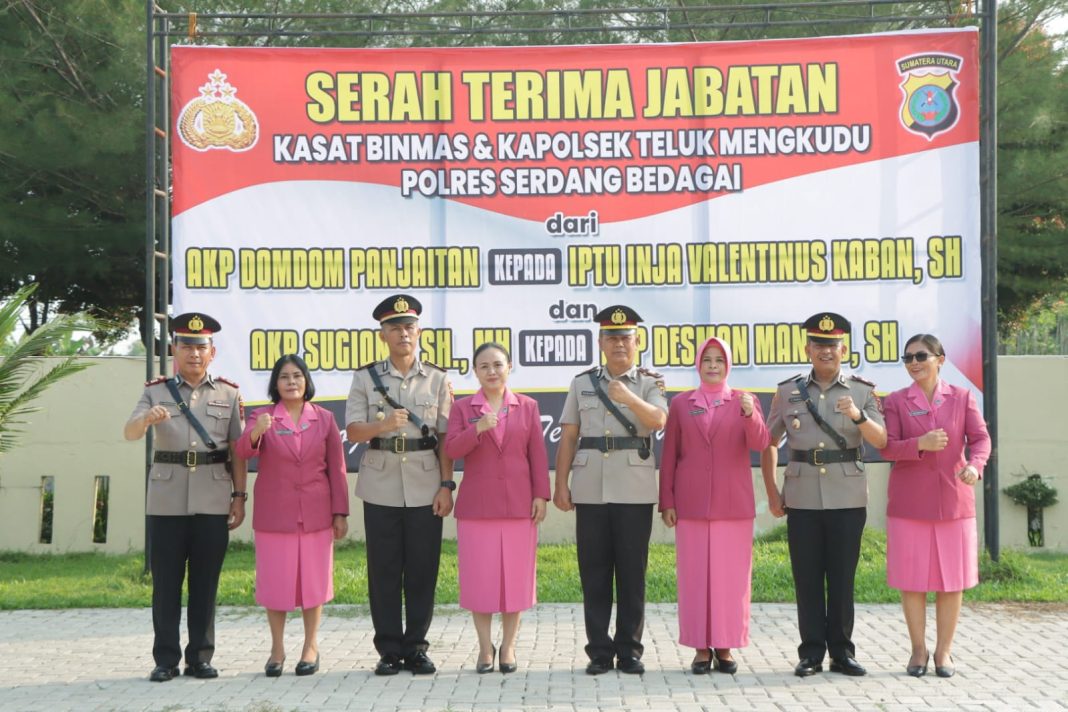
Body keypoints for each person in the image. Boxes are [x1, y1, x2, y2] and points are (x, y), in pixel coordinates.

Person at [760, 312, 887, 678]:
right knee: (808, 576)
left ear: (843, 349)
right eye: (819, 345)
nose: (826, 351)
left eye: (832, 345)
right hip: (801, 496)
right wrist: (772, 491)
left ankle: (842, 653)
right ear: (808, 349)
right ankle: (811, 652)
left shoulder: (861, 391)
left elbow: (882, 440)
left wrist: (859, 417)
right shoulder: (788, 391)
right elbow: (767, 442)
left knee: (843, 577)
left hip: (847, 497)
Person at [123, 313, 247, 682]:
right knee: (166, 583)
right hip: (166, 501)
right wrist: (146, 420)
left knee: (205, 582)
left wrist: (239, 496)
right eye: (186, 346)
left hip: (212, 498)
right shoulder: (155, 391)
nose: (194, 353)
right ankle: (165, 659)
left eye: (200, 347)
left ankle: (200, 657)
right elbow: (129, 432)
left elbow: (238, 451)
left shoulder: (229, 392)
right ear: (174, 349)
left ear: (212, 352)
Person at [553, 305, 668, 675]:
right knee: (595, 573)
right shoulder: (582, 382)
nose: (619, 344)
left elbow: (658, 420)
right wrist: (561, 484)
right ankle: (599, 651)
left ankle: (630, 650)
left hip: (634, 488)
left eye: (626, 338)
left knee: (633, 573)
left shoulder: (651, 382)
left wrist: (628, 397)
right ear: (601, 342)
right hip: (590, 488)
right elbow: (569, 435)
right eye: (612, 338)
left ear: (637, 342)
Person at [344, 294, 454, 676]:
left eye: (409, 327)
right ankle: (389, 649)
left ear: (418, 331)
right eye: (395, 328)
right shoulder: (365, 377)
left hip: (426, 484)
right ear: (383, 335)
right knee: (384, 569)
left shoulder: (438, 379)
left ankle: (417, 647)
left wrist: (446, 485)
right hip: (381, 483)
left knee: (423, 568)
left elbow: (445, 438)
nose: (403, 333)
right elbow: (354, 430)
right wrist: (384, 426)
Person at [879, 334, 990, 678]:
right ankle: (917, 650)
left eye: (921, 355)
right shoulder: (896, 401)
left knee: (951, 582)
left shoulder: (962, 397)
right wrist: (920, 444)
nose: (913, 362)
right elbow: (887, 448)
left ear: (940, 359)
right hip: (909, 505)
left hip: (954, 504)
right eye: (908, 357)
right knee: (912, 582)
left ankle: (943, 652)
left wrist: (975, 466)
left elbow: (982, 439)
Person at [659, 337, 770, 675]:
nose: (712, 365)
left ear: (728, 366)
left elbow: (761, 443)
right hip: (691, 505)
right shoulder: (680, 403)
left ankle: (725, 646)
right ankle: (699, 648)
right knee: (694, 578)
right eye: (706, 359)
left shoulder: (743, 401)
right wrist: (667, 500)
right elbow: (670, 456)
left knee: (730, 580)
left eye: (718, 360)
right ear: (698, 364)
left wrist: (750, 416)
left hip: (733, 506)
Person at [234, 354, 349, 677]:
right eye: (284, 377)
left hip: (316, 512)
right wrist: (256, 432)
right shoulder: (263, 415)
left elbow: (337, 470)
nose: (291, 382)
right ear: (275, 384)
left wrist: (340, 512)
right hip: (276, 514)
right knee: (276, 584)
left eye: (297, 376)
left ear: (306, 380)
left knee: (314, 583)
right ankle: (277, 649)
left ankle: (310, 646)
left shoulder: (324, 418)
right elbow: (242, 452)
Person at [444, 342, 550, 674]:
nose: (492, 371)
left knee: (515, 580)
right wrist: (477, 429)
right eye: (484, 366)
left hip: (519, 504)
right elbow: (450, 449)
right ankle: (484, 648)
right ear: (475, 371)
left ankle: (508, 646)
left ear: (509, 367)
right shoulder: (463, 408)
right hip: (478, 507)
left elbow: (537, 454)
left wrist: (540, 495)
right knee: (481, 580)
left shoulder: (527, 406)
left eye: (498, 365)